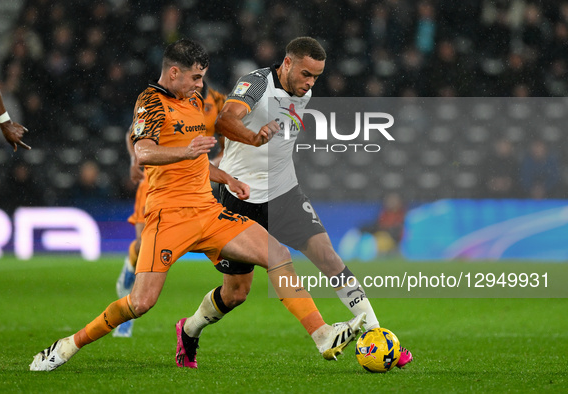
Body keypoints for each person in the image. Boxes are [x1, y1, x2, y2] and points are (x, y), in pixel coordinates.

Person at [30, 39, 364, 372]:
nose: (201, 85)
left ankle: (322, 334)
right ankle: (67, 345)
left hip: (208, 210)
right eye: (196, 78)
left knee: (277, 255)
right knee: (140, 302)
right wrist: (187, 151)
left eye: (202, 78)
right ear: (174, 73)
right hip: (169, 216)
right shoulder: (151, 102)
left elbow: (198, 159)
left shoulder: (191, 99)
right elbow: (144, 152)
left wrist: (225, 177)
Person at [177, 37, 412, 368]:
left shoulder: (305, 91)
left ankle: (376, 334)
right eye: (305, 74)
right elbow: (225, 120)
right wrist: (253, 137)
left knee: (329, 258)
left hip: (285, 194)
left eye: (316, 76)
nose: (310, 83)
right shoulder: (256, 84)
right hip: (238, 198)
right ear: (286, 64)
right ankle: (189, 330)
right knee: (236, 293)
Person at [113, 82, 227, 338]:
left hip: (192, 184)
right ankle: (129, 281)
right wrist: (134, 158)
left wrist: (211, 165)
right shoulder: (165, 100)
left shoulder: (219, 102)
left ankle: (129, 308)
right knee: (143, 245)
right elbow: (135, 132)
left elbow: (228, 140)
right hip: (158, 178)